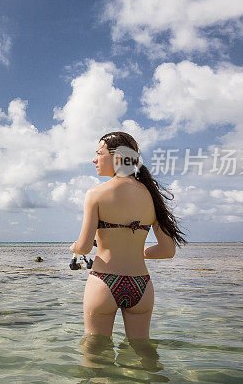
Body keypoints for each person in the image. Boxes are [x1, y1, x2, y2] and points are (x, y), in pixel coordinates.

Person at [69, 131, 188, 340]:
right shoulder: (151, 196)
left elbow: (85, 247)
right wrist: (136, 252)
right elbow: (167, 250)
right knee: (143, 351)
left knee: (96, 353)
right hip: (141, 286)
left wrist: (75, 248)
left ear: (117, 158)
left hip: (104, 283)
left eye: (99, 153)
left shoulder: (95, 194)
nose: (94, 159)